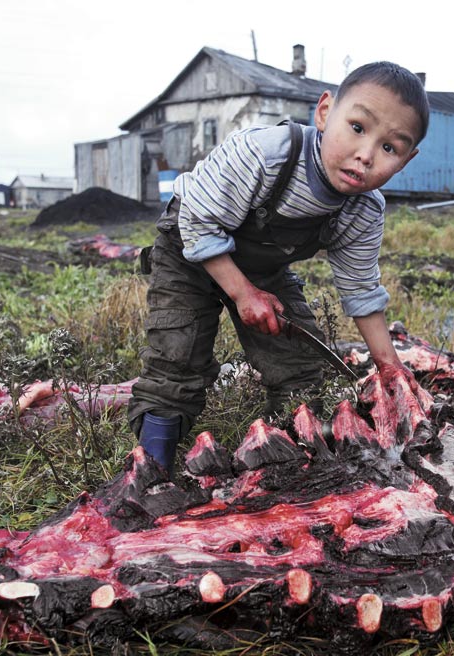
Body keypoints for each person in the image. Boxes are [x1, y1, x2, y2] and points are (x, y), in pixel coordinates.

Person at [128, 62, 429, 478]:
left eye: (390, 148)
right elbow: (196, 219)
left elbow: (361, 291)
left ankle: (286, 464)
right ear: (325, 112)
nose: (366, 155)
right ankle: (150, 474)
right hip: (188, 251)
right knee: (177, 359)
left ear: (406, 160)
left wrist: (390, 369)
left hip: (263, 268)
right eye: (358, 128)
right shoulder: (265, 152)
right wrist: (241, 293)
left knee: (302, 370)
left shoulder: (363, 209)